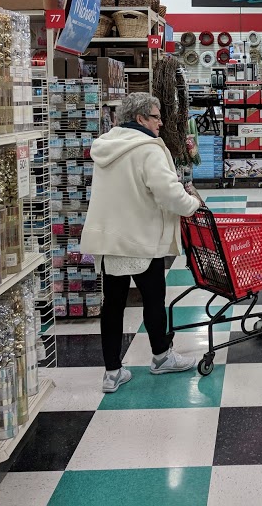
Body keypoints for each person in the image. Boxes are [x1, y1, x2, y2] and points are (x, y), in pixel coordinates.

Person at [81, 92, 203, 393]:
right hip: (141, 239)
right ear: (140, 119)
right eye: (156, 117)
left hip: (110, 240)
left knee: (113, 306)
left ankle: (112, 372)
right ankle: (161, 356)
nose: (161, 123)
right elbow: (167, 193)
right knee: (153, 300)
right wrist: (193, 204)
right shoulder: (148, 149)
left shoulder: (107, 144)